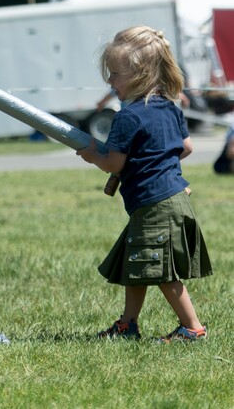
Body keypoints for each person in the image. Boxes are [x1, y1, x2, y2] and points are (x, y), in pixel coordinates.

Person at [76, 25, 212, 342]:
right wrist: (160, 161)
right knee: (136, 263)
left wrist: (93, 155)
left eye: (114, 74)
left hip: (155, 204)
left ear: (139, 74)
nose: (110, 81)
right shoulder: (170, 106)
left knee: (162, 270)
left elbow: (114, 162)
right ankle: (127, 325)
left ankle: (193, 328)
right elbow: (186, 147)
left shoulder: (128, 117)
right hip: (168, 199)